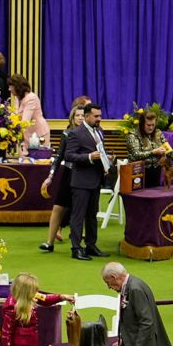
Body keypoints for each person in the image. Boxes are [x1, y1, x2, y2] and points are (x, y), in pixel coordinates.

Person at [63, 101, 110, 261]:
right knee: (78, 216)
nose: (99, 119)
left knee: (92, 215)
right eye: (96, 116)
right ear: (87, 116)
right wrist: (89, 157)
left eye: (100, 116)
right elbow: (69, 155)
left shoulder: (99, 131)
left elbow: (102, 151)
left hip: (96, 180)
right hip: (81, 181)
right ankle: (76, 248)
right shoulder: (76, 133)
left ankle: (91, 245)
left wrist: (106, 159)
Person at [39, 103, 87, 253]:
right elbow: (59, 156)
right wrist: (50, 176)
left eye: (82, 115)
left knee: (80, 209)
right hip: (68, 174)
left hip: (84, 175)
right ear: (72, 118)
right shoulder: (67, 133)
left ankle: (79, 242)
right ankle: (49, 242)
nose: (79, 118)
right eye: (77, 115)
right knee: (58, 207)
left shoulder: (90, 134)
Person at [125, 107, 173, 184]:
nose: (151, 128)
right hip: (138, 172)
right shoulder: (132, 135)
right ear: (142, 124)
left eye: (153, 125)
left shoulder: (158, 133)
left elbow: (169, 151)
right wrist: (153, 152)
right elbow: (136, 154)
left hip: (155, 172)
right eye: (148, 125)